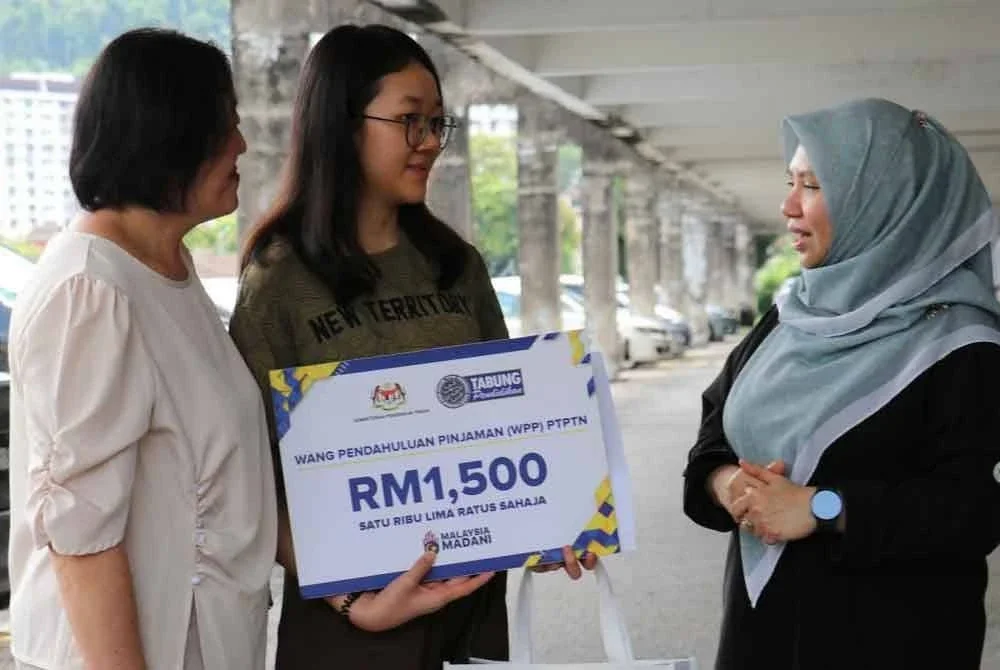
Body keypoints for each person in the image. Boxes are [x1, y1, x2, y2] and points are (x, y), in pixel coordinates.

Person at [229, 23, 596, 670]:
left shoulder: (456, 266)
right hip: (351, 626)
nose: (430, 143)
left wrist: (559, 519)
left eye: (438, 123)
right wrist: (351, 601)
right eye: (409, 121)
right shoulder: (279, 282)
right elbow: (255, 482)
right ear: (342, 125)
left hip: (470, 608)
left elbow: (512, 426)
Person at [683, 98, 1000, 670]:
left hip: (894, 641)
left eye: (812, 186)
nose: (786, 206)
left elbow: (973, 510)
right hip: (763, 636)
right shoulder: (787, 320)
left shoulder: (963, 345)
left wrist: (822, 508)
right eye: (790, 183)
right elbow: (712, 439)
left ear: (885, 202)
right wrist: (728, 484)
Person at [6, 29, 277, 669]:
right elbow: (82, 537)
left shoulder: (165, 267)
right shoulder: (90, 290)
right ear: (170, 135)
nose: (242, 145)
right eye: (226, 127)